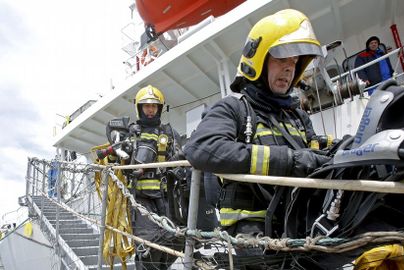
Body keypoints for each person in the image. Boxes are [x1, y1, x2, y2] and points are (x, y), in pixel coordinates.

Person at [184, 9, 330, 269]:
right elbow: (202, 148)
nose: (289, 67)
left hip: (297, 218)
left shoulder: (297, 116)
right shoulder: (233, 108)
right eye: (282, 58)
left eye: (295, 62)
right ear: (258, 60)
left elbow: (315, 150)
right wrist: (289, 160)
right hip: (250, 226)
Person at [128, 85, 184, 270]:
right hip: (141, 197)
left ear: (160, 108)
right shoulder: (131, 133)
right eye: (146, 106)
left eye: (154, 106)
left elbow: (177, 161)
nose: (150, 110)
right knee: (147, 245)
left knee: (173, 240)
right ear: (140, 108)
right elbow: (118, 162)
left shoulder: (169, 133)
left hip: (166, 197)